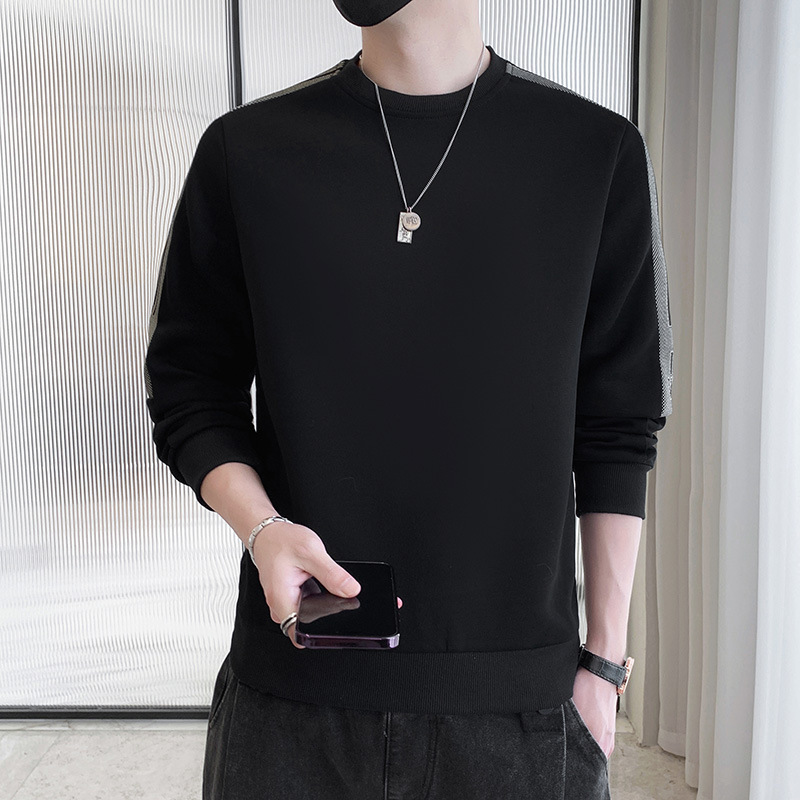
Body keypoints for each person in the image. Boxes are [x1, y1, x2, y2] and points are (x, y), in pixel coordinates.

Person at [143, 0, 674, 797]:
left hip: (518, 714)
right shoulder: (248, 152)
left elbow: (619, 425)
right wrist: (263, 529)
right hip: (294, 703)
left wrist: (603, 664)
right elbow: (190, 387)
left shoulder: (592, 152)